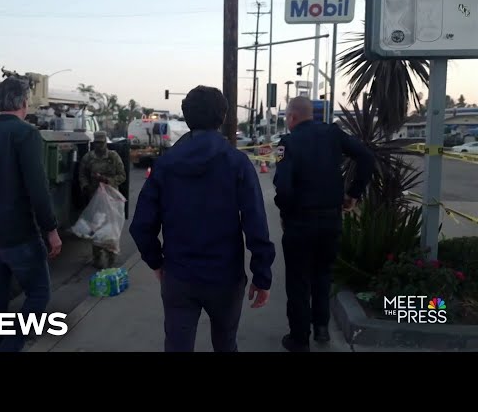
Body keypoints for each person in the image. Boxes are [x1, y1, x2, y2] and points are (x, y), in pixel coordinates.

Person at [130, 85, 276, 353]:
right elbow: (256, 223)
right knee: (225, 343)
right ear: (222, 117)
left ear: (187, 117)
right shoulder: (238, 163)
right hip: (226, 277)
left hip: (179, 275)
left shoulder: (166, 164)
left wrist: (157, 263)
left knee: (177, 345)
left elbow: (141, 225)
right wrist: (262, 274)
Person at [0, 76, 63, 353]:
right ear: (23, 102)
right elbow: (37, 188)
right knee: (39, 294)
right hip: (17, 234)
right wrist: (51, 230)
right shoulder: (26, 134)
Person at [273, 96, 373, 353]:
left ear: (292, 117)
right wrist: (354, 193)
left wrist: (285, 212)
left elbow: (283, 187)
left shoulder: (287, 143)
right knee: (322, 274)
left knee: (298, 281)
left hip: (300, 222)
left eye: (287, 116)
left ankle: (298, 339)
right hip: (330, 219)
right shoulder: (333, 134)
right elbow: (365, 156)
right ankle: (321, 328)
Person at [78, 130, 126, 269]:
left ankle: (111, 258)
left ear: (106, 143)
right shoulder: (89, 158)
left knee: (111, 229)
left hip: (111, 198)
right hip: (95, 198)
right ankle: (97, 258)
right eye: (97, 143)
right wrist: (85, 186)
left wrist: (107, 180)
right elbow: (82, 174)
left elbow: (122, 176)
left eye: (101, 143)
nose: (99, 146)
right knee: (97, 228)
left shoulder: (113, 157)